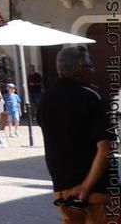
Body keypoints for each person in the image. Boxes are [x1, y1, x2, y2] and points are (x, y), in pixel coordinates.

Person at [40, 46, 115, 222]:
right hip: (96, 191)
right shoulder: (92, 97)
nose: (93, 70)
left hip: (63, 190)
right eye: (91, 66)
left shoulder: (45, 99)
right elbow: (105, 150)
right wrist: (85, 188)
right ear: (81, 69)